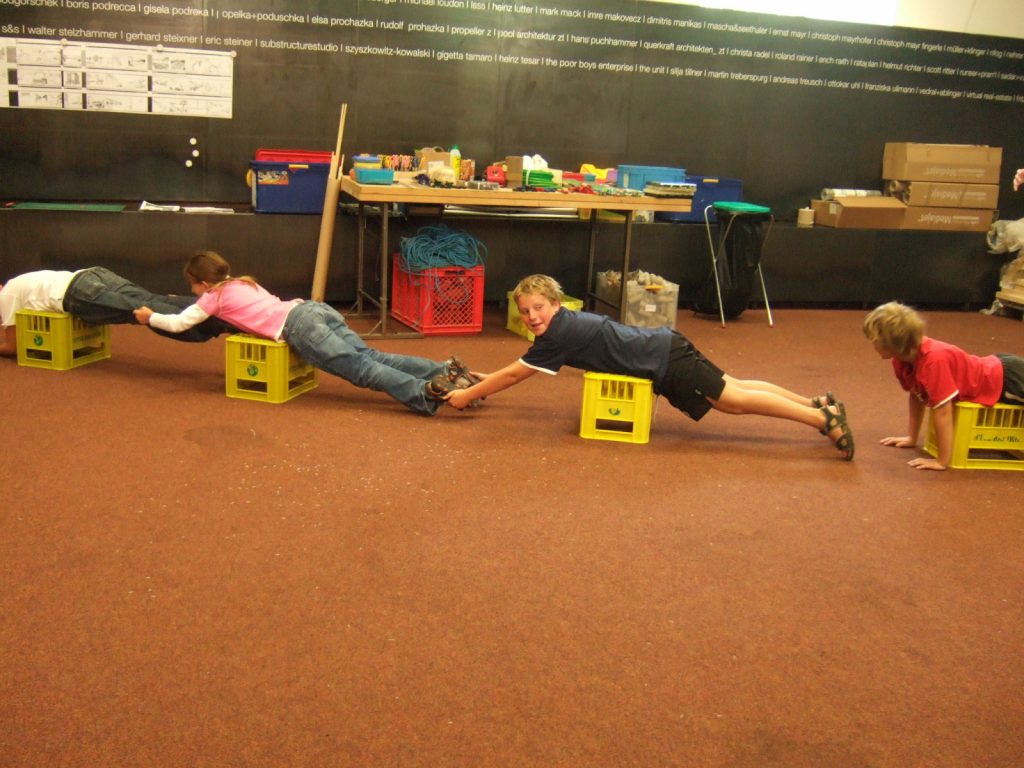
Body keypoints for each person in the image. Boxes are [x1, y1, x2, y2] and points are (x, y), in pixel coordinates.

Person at [445, 273, 854, 459]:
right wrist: (485, 378)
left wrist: (466, 394)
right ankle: (815, 402)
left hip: (663, 359)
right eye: (525, 311)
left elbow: (518, 373)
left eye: (539, 307)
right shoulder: (562, 327)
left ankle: (821, 419)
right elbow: (518, 365)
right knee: (735, 383)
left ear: (556, 304)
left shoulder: (558, 334)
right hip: (664, 344)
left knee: (734, 400)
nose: (533, 316)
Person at [133, 250, 478, 416]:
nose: (195, 292)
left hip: (299, 327)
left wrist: (150, 317)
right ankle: (443, 370)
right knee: (371, 356)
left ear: (203, 283)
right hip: (312, 309)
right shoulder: (243, 281)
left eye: (193, 287)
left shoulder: (212, 298)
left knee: (363, 370)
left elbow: (179, 322)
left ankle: (425, 393)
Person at [863, 301, 1024, 471]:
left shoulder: (933, 361)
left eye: (875, 341)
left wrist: (941, 461)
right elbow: (916, 395)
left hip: (1007, 380)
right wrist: (912, 437)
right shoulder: (901, 361)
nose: (872, 345)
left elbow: (943, 411)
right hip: (999, 369)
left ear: (894, 344)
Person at [0, 266, 232, 355]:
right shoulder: (18, 281)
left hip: (79, 293)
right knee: (153, 299)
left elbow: (14, 346)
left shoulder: (6, 295)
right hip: (93, 275)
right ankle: (228, 313)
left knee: (143, 314)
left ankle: (219, 324)